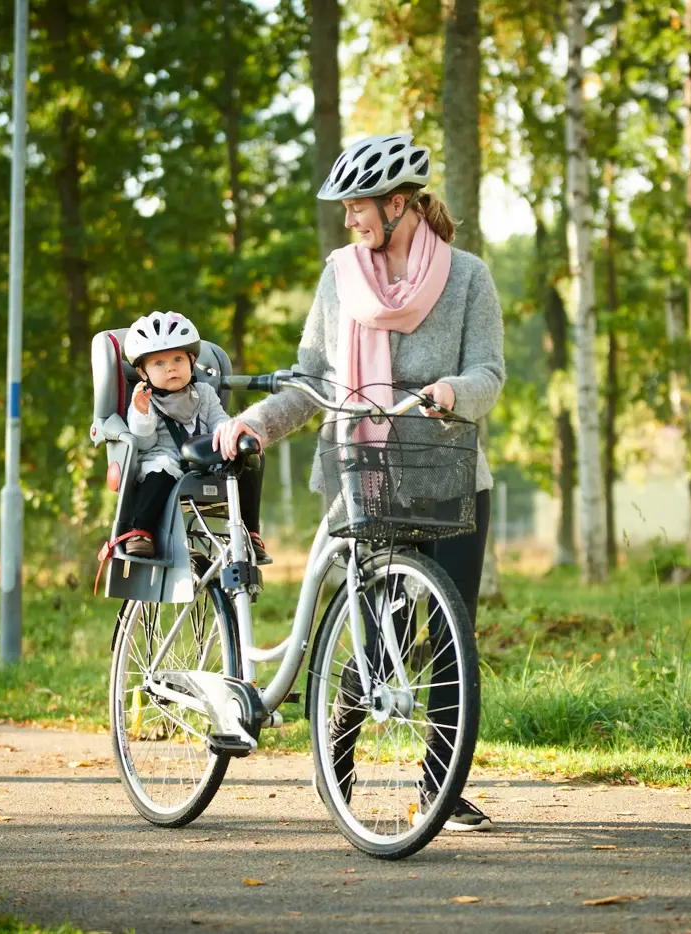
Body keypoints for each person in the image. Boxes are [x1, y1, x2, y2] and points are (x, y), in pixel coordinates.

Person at [213, 132, 506, 831]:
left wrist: (451, 391)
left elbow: (489, 376)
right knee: (377, 641)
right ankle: (333, 764)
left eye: (358, 207)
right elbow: (314, 379)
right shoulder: (338, 277)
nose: (350, 220)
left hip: (449, 474)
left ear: (399, 205)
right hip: (364, 475)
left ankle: (441, 787)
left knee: (450, 634)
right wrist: (254, 421)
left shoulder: (469, 278)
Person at [121, 310, 269, 564]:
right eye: (159, 363)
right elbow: (143, 444)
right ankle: (140, 531)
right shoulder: (145, 400)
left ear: (191, 361)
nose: (170, 368)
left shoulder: (204, 393)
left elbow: (219, 422)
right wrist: (142, 413)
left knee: (251, 456)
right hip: (165, 459)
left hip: (205, 459)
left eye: (178, 359)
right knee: (161, 467)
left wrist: (231, 432)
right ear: (143, 373)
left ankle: (249, 532)